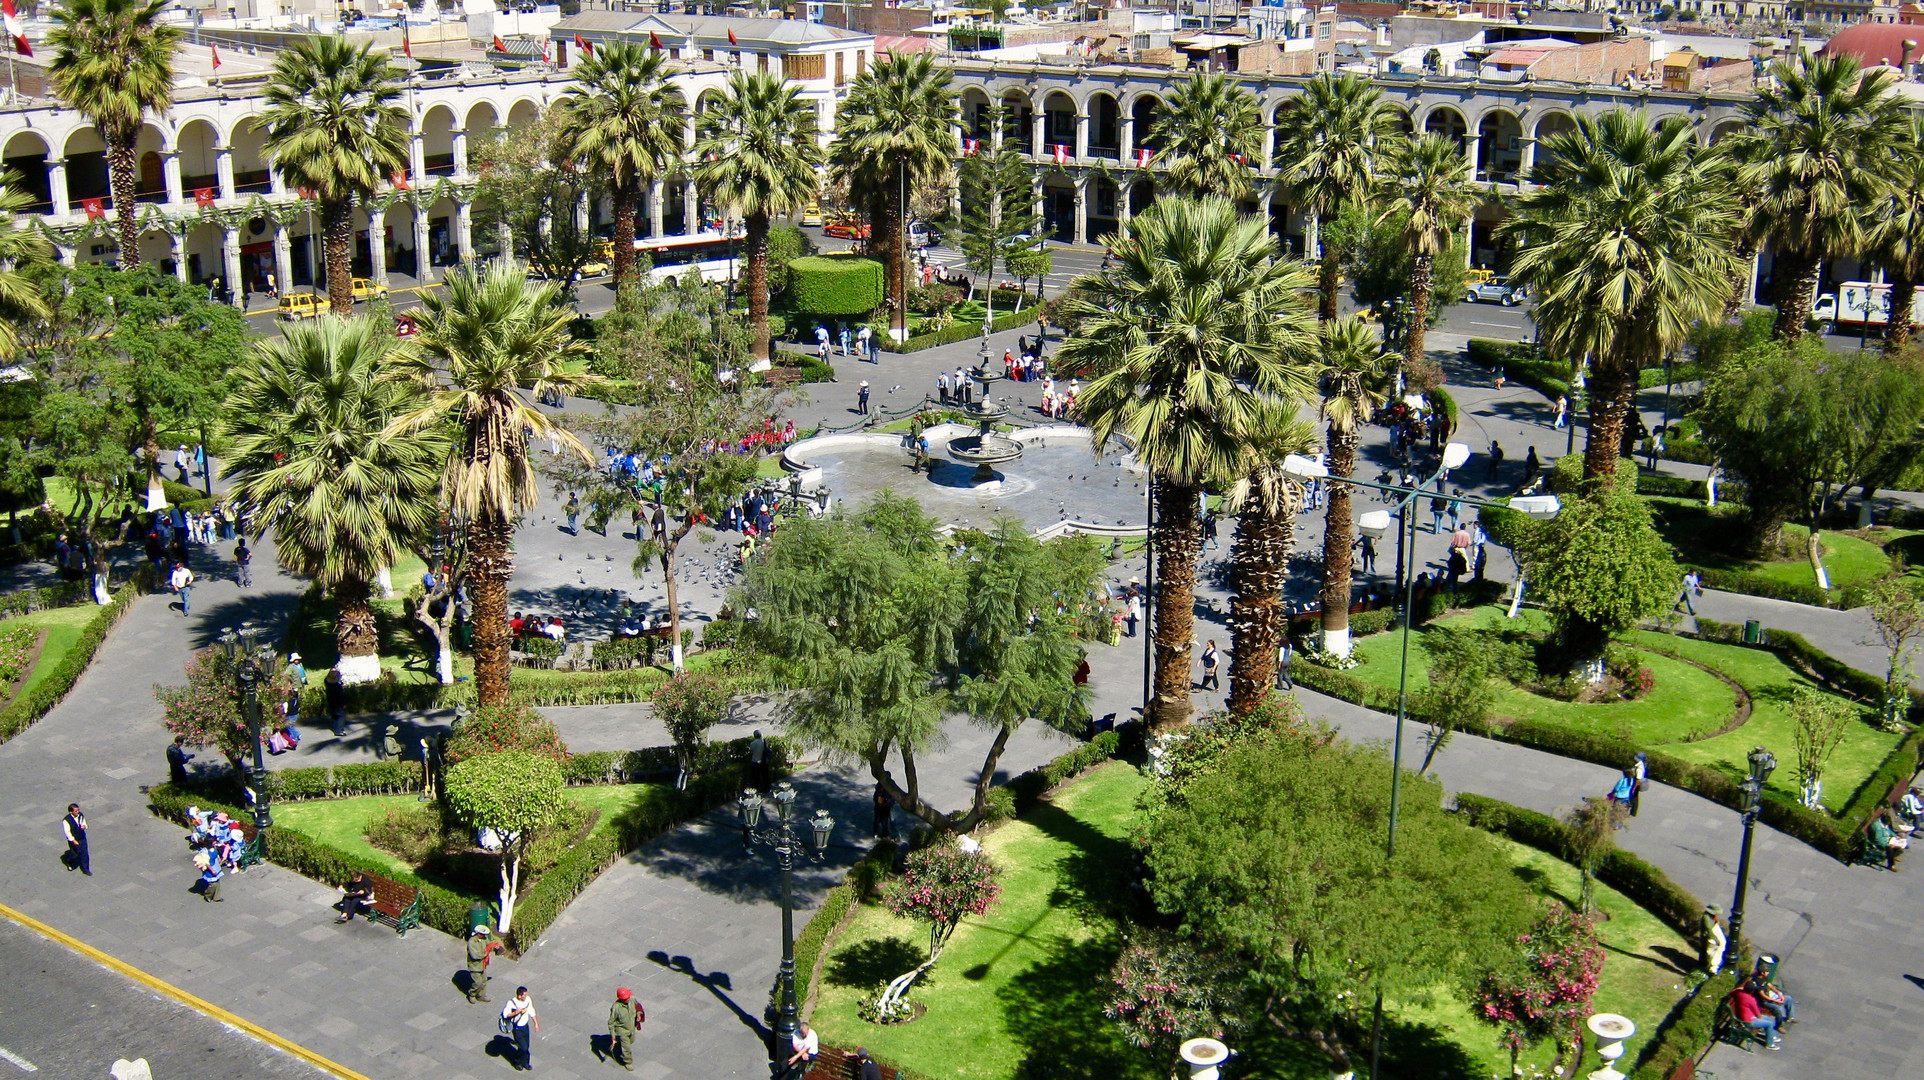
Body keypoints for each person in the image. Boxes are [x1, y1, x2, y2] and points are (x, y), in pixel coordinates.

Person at [1745, 956, 1795, 1030]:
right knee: (1778, 1009)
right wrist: (1775, 1001)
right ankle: (1779, 1026)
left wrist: (1778, 993)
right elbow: (1763, 995)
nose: (1768, 973)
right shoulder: (1758, 982)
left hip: (1770, 996)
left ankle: (1790, 1017)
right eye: (1767, 971)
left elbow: (1770, 985)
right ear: (1762, 973)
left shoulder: (1764, 978)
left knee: (1789, 999)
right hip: (1764, 1001)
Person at [1728, 984, 1781, 1050]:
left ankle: (1771, 1036)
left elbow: (1731, 992)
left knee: (1767, 1019)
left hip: (1741, 1017)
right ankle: (1770, 1044)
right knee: (1769, 1024)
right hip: (1749, 1021)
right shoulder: (1751, 999)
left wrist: (1740, 988)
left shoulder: (1739, 993)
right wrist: (1761, 1019)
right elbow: (1758, 1015)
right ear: (1752, 991)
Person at [607, 986, 642, 1071]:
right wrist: (613, 1036)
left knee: (631, 1041)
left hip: (631, 1027)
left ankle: (621, 1044)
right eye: (626, 998)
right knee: (626, 1048)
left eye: (628, 997)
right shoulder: (616, 1007)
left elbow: (638, 1006)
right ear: (621, 999)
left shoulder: (632, 999)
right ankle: (628, 1062)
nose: (628, 999)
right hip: (622, 1030)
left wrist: (638, 1014)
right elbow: (611, 1023)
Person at [501, 987, 537, 1070]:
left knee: (526, 1046)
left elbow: (531, 1010)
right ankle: (517, 1061)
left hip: (525, 1026)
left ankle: (525, 1062)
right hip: (517, 1028)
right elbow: (505, 1015)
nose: (526, 996)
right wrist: (515, 1012)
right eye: (524, 995)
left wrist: (536, 1023)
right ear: (519, 996)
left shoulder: (528, 999)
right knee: (523, 1047)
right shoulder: (511, 1003)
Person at [466, 925, 503, 1003]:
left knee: (483, 981)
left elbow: (489, 945)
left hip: (483, 965)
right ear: (478, 934)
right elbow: (474, 955)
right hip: (475, 966)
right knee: (477, 982)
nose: (484, 936)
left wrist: (494, 947)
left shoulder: (484, 939)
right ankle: (472, 994)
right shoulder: (471, 942)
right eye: (482, 934)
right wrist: (484, 955)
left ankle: (481, 995)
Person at [61, 803, 89, 875]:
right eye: (76, 811)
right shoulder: (66, 820)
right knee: (75, 854)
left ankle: (86, 869)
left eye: (78, 810)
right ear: (71, 812)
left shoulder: (81, 815)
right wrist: (73, 840)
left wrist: (84, 826)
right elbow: (67, 831)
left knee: (84, 853)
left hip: (82, 837)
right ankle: (71, 863)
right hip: (74, 839)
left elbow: (84, 822)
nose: (78, 812)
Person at [325, 668, 347, 737]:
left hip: (330, 701)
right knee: (341, 716)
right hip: (337, 703)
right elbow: (340, 696)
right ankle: (339, 730)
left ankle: (335, 728)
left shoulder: (327, 682)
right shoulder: (337, 686)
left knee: (334, 715)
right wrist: (343, 704)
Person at [1629, 751, 1648, 817]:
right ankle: (1633, 811)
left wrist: (1634, 787)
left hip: (1637, 784)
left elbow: (1638, 779)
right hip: (1637, 783)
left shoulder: (1639, 768)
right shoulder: (1641, 764)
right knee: (1635, 797)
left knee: (1634, 797)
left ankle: (1633, 811)